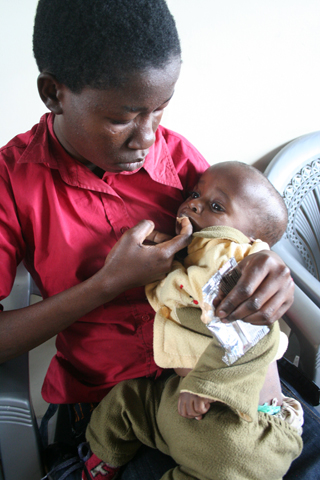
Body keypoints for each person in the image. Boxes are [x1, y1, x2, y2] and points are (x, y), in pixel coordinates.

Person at [0, 0, 316, 479]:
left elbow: (236, 242)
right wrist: (106, 284)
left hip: (219, 375)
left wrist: (270, 273)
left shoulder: (183, 162)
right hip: (116, 401)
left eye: (159, 111)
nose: (146, 137)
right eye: (122, 118)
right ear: (54, 93)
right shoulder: (12, 182)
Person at [78, 162, 303, 480]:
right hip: (178, 402)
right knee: (129, 402)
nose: (193, 203)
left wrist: (204, 387)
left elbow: (253, 334)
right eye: (195, 193)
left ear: (249, 239)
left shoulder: (231, 262)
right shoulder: (195, 255)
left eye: (215, 206)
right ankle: (100, 461)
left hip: (240, 427)